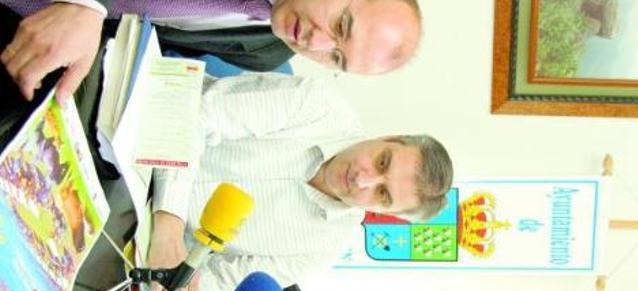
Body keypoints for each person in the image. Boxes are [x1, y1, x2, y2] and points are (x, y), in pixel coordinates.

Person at [147, 73, 453, 291]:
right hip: (136, 130)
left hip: (139, 236)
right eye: (381, 161)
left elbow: (223, 281)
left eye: (382, 193)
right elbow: (197, 114)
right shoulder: (321, 105)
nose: (363, 179)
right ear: (389, 137)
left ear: (386, 213)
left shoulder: (323, 250)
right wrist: (169, 223)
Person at [0, 0, 422, 103]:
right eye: (342, 25)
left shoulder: (265, 53)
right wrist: (85, 4)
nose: (318, 43)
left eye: (337, 59)